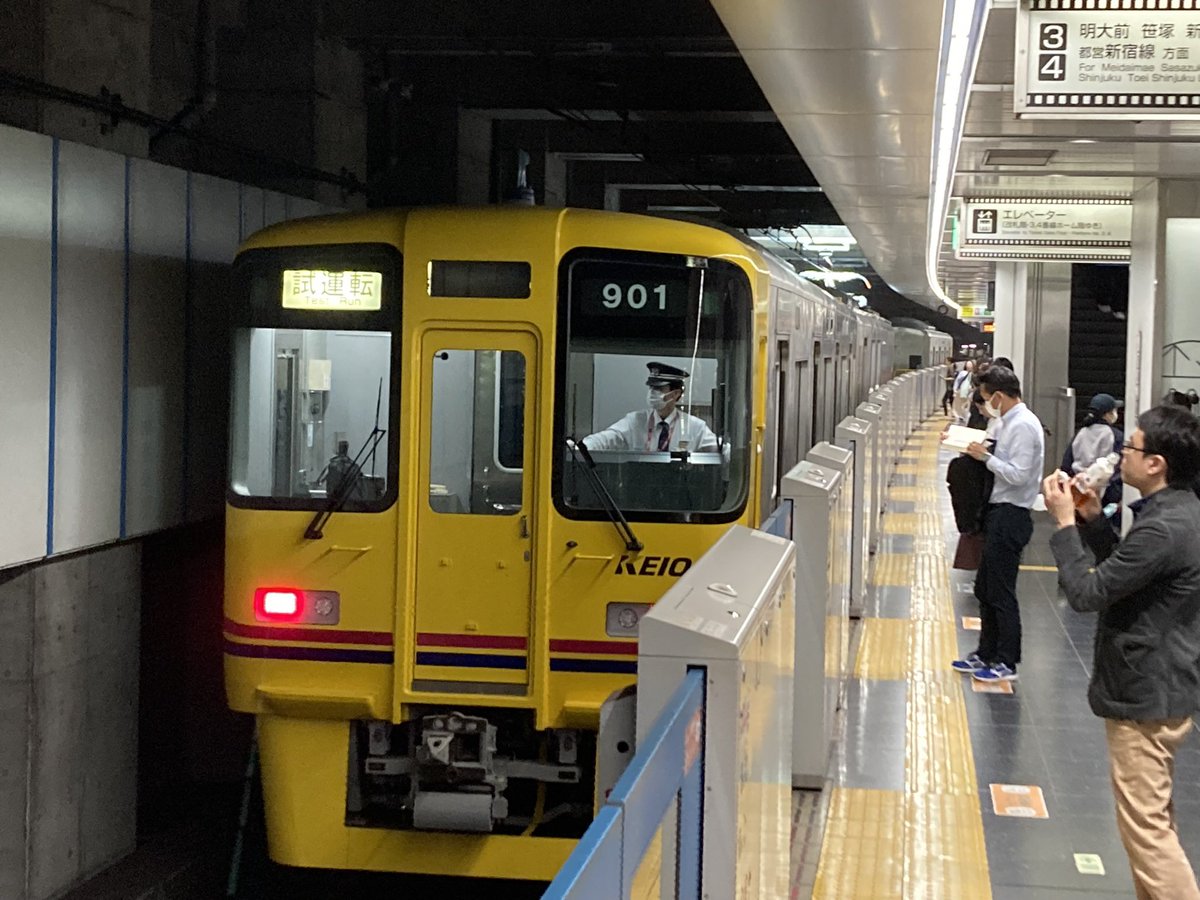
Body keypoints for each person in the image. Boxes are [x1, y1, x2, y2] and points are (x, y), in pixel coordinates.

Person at [1042, 405, 1200, 900]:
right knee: (1152, 821)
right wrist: (1091, 521)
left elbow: (1089, 594)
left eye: (1129, 447)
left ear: (1156, 463)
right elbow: (1125, 577)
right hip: (1163, 686)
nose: (1120, 455)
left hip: (1145, 692)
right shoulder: (1178, 514)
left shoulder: (1163, 528)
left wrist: (1065, 526)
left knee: (1148, 834)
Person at [950, 366, 1044, 682]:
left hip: (1012, 514)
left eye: (988, 398)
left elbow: (1018, 474)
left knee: (1001, 591)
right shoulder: (1007, 423)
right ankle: (985, 653)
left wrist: (984, 458)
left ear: (999, 396)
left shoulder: (1024, 427)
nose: (988, 403)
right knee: (985, 587)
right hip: (998, 512)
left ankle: (1007, 660)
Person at [582, 362, 718, 452]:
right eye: (652, 387)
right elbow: (607, 438)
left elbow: (719, 448)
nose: (653, 393)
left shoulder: (694, 427)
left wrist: (736, 454)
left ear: (676, 394)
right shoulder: (635, 421)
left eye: (659, 388)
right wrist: (581, 447)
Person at [1063, 393, 1124, 510]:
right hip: (1103, 495)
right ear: (1108, 414)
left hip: (1078, 490)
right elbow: (1118, 468)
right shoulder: (1116, 436)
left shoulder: (1080, 433)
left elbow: (1066, 464)